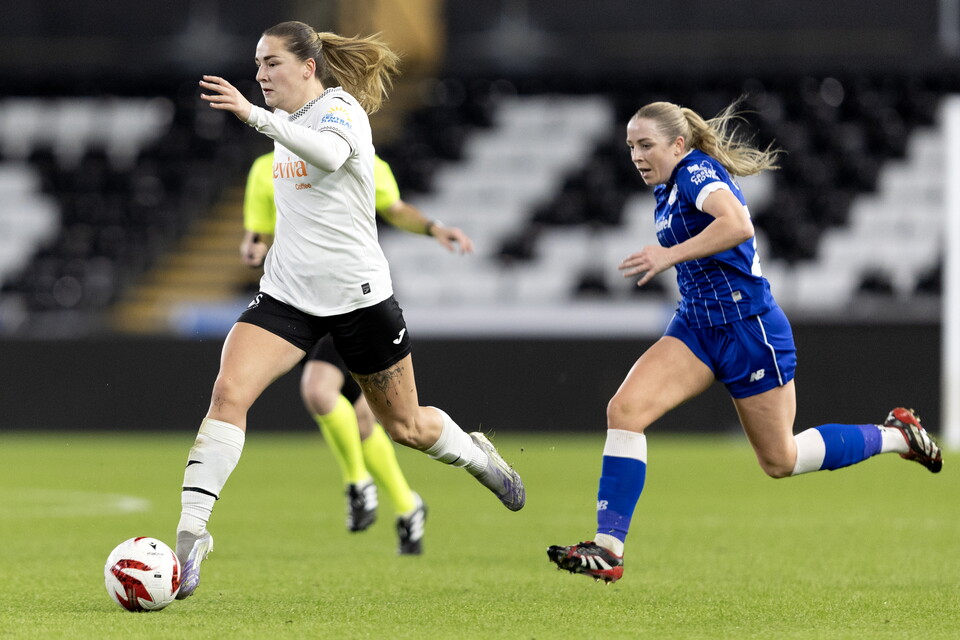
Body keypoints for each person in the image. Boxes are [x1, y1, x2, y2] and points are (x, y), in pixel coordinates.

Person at [175, 20, 524, 600]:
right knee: (227, 394)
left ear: (308, 67)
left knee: (405, 427)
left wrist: (255, 116)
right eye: (256, 65)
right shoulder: (284, 128)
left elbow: (333, 158)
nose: (260, 75)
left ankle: (476, 455)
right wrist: (257, 236)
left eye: (271, 63)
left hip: (360, 303)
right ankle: (191, 539)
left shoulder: (340, 111)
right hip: (286, 297)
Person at [547, 99, 943, 584]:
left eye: (645, 145)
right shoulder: (668, 186)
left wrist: (668, 255)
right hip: (696, 327)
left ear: (678, 144)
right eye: (631, 146)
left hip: (749, 331)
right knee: (625, 411)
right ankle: (608, 549)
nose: (636, 155)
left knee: (781, 460)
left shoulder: (695, 172)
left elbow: (737, 224)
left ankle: (897, 436)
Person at [239, 149, 475, 555]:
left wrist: (434, 227)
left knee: (320, 391)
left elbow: (395, 208)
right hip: (297, 301)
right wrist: (254, 247)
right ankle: (408, 505)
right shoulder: (265, 167)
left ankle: (358, 484)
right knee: (363, 419)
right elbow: (259, 231)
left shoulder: (352, 153)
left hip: (352, 299)